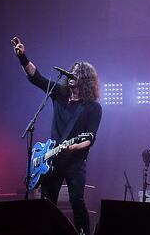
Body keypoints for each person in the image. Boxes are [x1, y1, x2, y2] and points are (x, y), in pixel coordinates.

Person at [12, 37, 102, 235]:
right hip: (51, 158)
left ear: (85, 79)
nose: (72, 73)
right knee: (46, 203)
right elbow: (37, 77)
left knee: (76, 200)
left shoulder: (93, 108)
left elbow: (89, 139)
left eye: (78, 72)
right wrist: (22, 57)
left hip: (75, 160)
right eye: (72, 70)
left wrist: (72, 147)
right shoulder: (59, 93)